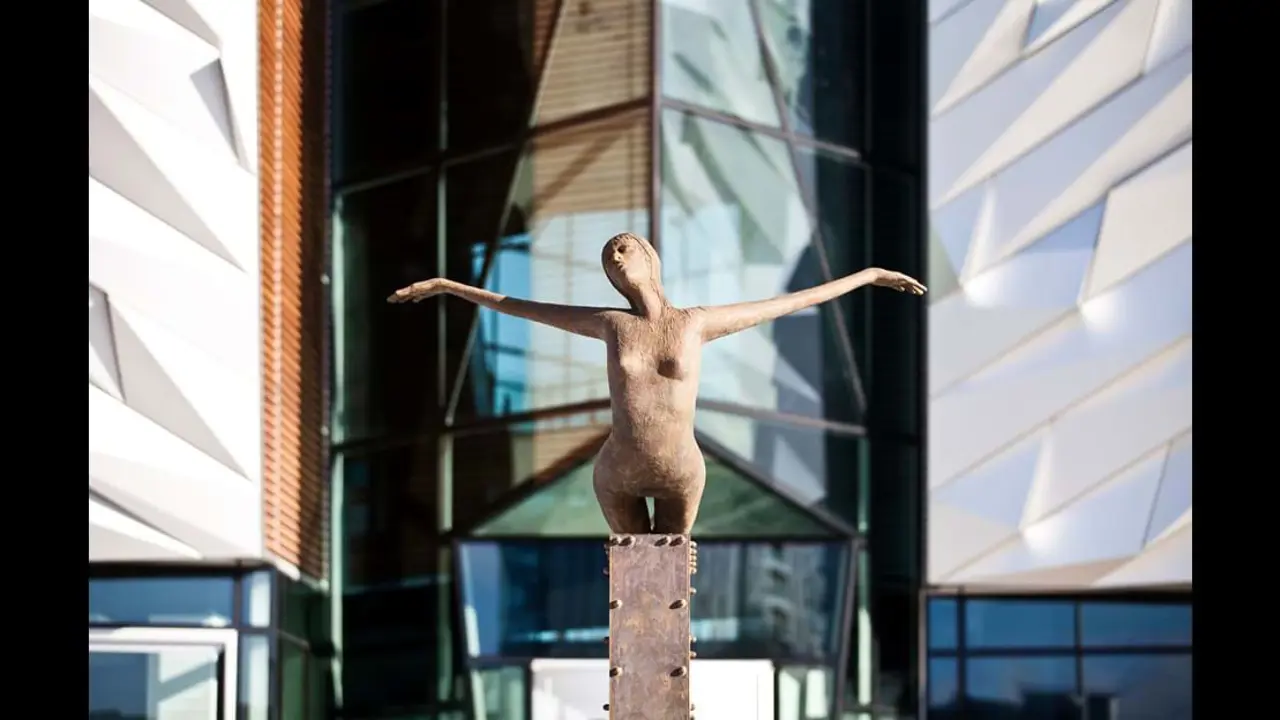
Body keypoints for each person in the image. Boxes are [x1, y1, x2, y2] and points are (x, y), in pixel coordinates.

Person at [389, 232, 926, 534]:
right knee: (631, 586)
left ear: (650, 258)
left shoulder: (692, 322)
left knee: (667, 591)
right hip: (617, 470)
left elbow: (789, 302)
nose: (615, 260)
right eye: (607, 260)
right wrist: (448, 286)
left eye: (622, 249)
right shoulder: (611, 324)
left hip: (680, 471)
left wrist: (869, 275)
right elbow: (521, 307)